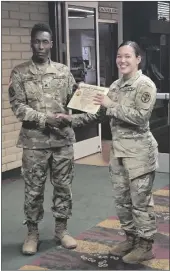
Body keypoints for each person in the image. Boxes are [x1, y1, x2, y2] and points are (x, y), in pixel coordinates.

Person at [60, 41, 158, 264]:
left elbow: (140, 117)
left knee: (140, 202)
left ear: (138, 59)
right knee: (123, 200)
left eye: (127, 56)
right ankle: (131, 238)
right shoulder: (114, 86)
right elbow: (98, 115)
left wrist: (110, 104)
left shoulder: (145, 85)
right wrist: (70, 119)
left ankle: (146, 245)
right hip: (119, 153)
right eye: (119, 56)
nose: (122, 61)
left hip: (139, 154)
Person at [8, 23, 80, 255]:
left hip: (62, 142)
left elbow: (76, 100)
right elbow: (17, 106)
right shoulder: (20, 73)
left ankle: (61, 230)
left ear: (51, 44)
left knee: (63, 188)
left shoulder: (63, 71)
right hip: (34, 143)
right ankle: (32, 233)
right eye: (37, 41)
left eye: (45, 41)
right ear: (32, 42)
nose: (41, 46)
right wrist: (43, 119)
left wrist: (88, 101)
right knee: (33, 190)